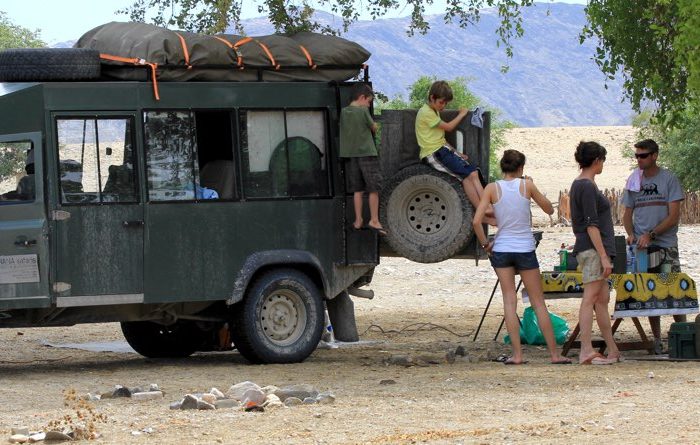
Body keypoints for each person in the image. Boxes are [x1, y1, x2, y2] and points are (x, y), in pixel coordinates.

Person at [473, 149, 571, 365]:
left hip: (502, 247)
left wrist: (485, 244)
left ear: (502, 167)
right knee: (538, 302)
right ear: (521, 167)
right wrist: (532, 185)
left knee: (509, 300)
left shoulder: (492, 188)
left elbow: (476, 220)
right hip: (524, 248)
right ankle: (554, 354)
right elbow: (548, 209)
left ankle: (517, 355)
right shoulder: (527, 186)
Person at [622, 139, 686, 352]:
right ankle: (657, 339)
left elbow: (674, 216)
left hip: (665, 245)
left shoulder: (668, 179)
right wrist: (631, 234)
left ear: (654, 156)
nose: (639, 160)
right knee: (649, 295)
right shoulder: (633, 181)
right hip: (642, 249)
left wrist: (652, 234)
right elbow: (627, 213)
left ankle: (682, 334)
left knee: (674, 290)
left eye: (643, 155)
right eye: (636, 156)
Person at [416, 80, 495, 225]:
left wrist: (457, 153)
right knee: (469, 175)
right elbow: (449, 127)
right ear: (432, 98)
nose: (443, 106)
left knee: (471, 175)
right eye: (441, 102)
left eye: (445, 103)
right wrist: (462, 114)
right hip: (433, 154)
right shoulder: (426, 113)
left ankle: (484, 209)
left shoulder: (433, 111)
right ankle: (484, 209)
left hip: (441, 150)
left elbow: (440, 138)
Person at [570, 141, 620, 365]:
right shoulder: (587, 186)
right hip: (592, 249)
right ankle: (586, 350)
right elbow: (591, 224)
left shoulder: (580, 184)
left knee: (602, 299)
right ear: (597, 160)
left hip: (591, 248)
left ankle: (612, 349)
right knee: (590, 298)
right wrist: (603, 255)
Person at [340, 83, 386, 235]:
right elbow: (374, 128)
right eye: (369, 101)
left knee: (357, 190)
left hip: (350, 155)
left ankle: (358, 219)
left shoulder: (344, 112)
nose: (368, 104)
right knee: (374, 188)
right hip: (367, 153)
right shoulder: (363, 111)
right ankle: (374, 220)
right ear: (362, 98)